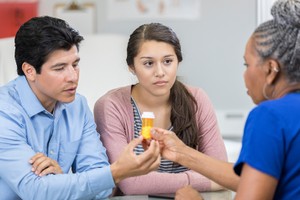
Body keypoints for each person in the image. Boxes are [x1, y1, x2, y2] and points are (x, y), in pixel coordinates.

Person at [0, 16, 161, 200]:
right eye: (60, 68)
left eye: (75, 65)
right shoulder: (4, 112)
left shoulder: (77, 105)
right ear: (29, 71)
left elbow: (102, 190)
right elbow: (35, 191)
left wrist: (60, 180)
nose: (73, 77)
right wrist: (116, 172)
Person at [151, 0, 300, 199]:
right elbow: (255, 176)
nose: (244, 74)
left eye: (247, 64)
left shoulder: (270, 116)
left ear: (271, 69)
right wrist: (181, 152)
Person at [93, 22, 227, 195]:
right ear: (132, 67)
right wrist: (202, 180)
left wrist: (216, 178)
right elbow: (130, 183)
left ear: (178, 61)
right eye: (148, 63)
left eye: (168, 61)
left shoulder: (197, 99)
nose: (160, 72)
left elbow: (222, 172)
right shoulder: (111, 106)